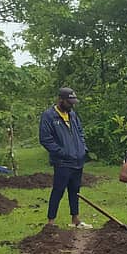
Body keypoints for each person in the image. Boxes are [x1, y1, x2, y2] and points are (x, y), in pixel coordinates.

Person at [39, 87, 91, 228]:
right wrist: (62, 152)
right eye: (69, 102)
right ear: (61, 100)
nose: (72, 105)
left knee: (75, 190)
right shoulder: (49, 116)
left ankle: (75, 219)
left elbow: (80, 132)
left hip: (77, 160)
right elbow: (45, 139)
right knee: (58, 190)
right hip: (62, 162)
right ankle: (51, 222)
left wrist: (82, 148)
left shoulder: (72, 114)